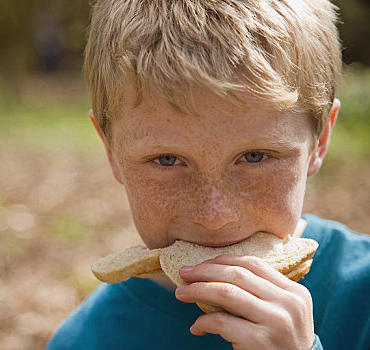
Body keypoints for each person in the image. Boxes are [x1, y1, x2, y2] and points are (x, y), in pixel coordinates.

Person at [46, 0, 370, 349]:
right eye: (167, 160)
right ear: (112, 151)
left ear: (319, 142)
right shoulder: (86, 342)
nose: (214, 217)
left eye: (255, 156)